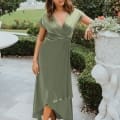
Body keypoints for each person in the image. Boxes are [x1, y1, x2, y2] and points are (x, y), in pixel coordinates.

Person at [32, 0, 93, 120]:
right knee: (49, 93)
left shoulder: (75, 13)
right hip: (46, 58)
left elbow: (95, 23)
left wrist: (90, 27)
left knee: (56, 92)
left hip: (61, 60)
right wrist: (35, 61)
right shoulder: (46, 17)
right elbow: (40, 39)